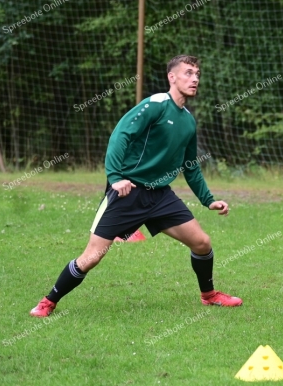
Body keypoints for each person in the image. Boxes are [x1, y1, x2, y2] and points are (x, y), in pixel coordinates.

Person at [30, 55, 242, 317]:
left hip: (161, 196)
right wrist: (115, 177)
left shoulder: (188, 121)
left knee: (202, 243)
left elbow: (190, 165)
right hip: (128, 192)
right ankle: (48, 301)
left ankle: (209, 295)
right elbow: (120, 135)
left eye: (197, 74)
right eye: (188, 73)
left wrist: (208, 200)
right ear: (172, 77)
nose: (195, 78)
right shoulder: (155, 105)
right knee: (92, 257)